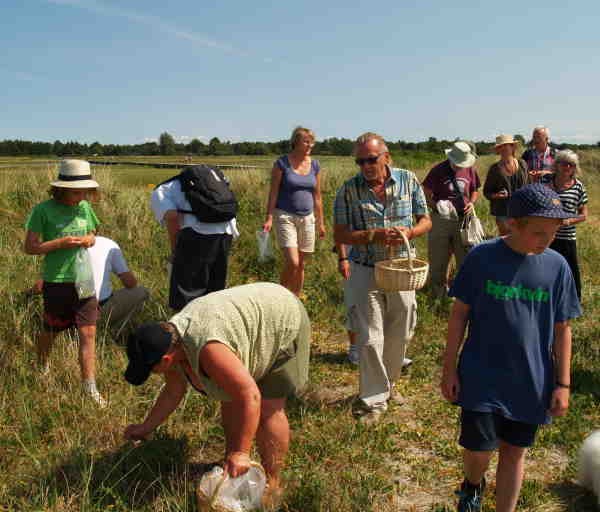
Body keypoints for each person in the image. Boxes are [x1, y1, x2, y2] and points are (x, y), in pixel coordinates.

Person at [441, 183, 581, 512]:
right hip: (481, 372)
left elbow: (563, 329)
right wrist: (449, 369)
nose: (547, 241)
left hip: (531, 380)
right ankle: (472, 485)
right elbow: (459, 314)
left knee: (514, 451)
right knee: (478, 450)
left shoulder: (557, 267)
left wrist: (563, 383)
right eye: (538, 233)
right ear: (513, 224)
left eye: (552, 233)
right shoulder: (482, 257)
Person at [122, 282, 310, 500]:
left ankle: (273, 482)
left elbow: (251, 396)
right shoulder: (171, 342)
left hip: (283, 318)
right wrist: (146, 427)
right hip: (252, 319)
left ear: (165, 359)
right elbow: (173, 392)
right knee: (228, 392)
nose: (152, 374)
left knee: (269, 407)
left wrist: (242, 453)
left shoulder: (207, 348)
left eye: (150, 369)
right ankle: (231, 470)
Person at [333, 132, 431, 424]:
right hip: (365, 268)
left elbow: (425, 220)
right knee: (370, 336)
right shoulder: (348, 190)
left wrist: (409, 234)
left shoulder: (408, 180)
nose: (366, 166)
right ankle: (373, 399)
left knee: (400, 332)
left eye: (371, 159)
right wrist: (372, 236)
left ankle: (388, 386)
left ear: (386, 157)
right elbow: (340, 234)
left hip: (401, 269)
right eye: (360, 161)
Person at [23, 159, 106, 406]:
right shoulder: (42, 211)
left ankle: (89, 388)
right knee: (51, 329)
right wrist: (60, 243)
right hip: (57, 281)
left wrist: (90, 239)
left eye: (85, 191)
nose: (82, 196)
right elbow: (30, 247)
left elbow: (95, 231)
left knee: (88, 333)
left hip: (84, 280)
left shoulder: (85, 208)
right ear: (61, 189)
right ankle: (42, 364)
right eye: (77, 192)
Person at [151, 167, 239, 311]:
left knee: (187, 293)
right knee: (215, 287)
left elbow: (172, 218)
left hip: (197, 232)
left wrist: (175, 251)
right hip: (226, 230)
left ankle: (186, 328)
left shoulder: (160, 192)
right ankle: (213, 321)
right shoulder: (212, 180)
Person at [27, 235, 149, 337]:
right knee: (142, 292)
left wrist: (27, 295)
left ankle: (67, 329)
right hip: (94, 314)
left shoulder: (66, 244)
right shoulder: (108, 244)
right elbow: (130, 283)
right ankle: (112, 331)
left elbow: (41, 285)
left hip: (64, 317)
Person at [262, 127, 326, 297]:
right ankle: (279, 297)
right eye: (306, 141)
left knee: (302, 264)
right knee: (293, 262)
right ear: (295, 142)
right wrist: (269, 217)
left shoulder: (315, 165)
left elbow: (317, 196)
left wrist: (321, 223)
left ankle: (295, 300)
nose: (310, 144)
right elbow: (273, 192)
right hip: (285, 216)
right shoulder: (282, 163)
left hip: (307, 218)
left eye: (312, 141)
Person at [422, 141, 481, 299]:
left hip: (464, 220)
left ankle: (463, 296)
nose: (459, 166)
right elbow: (425, 192)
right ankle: (438, 296)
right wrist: (436, 206)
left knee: (465, 258)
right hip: (441, 220)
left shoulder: (470, 169)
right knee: (438, 258)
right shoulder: (438, 170)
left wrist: (471, 203)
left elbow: (475, 190)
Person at [540, 150, 588, 300]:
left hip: (567, 236)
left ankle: (574, 300)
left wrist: (569, 221)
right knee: (545, 267)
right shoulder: (545, 182)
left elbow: (583, 215)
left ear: (575, 168)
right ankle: (547, 297)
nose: (567, 167)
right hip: (546, 235)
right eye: (564, 163)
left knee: (570, 269)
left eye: (571, 164)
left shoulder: (578, 187)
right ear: (557, 164)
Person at [483, 134, 529, 235]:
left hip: (521, 210)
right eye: (500, 147)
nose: (503, 148)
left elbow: (528, 185)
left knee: (521, 238)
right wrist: (497, 195)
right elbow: (486, 192)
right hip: (503, 211)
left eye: (506, 145)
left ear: (512, 147)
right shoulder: (494, 169)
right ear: (498, 150)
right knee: (506, 240)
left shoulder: (522, 164)